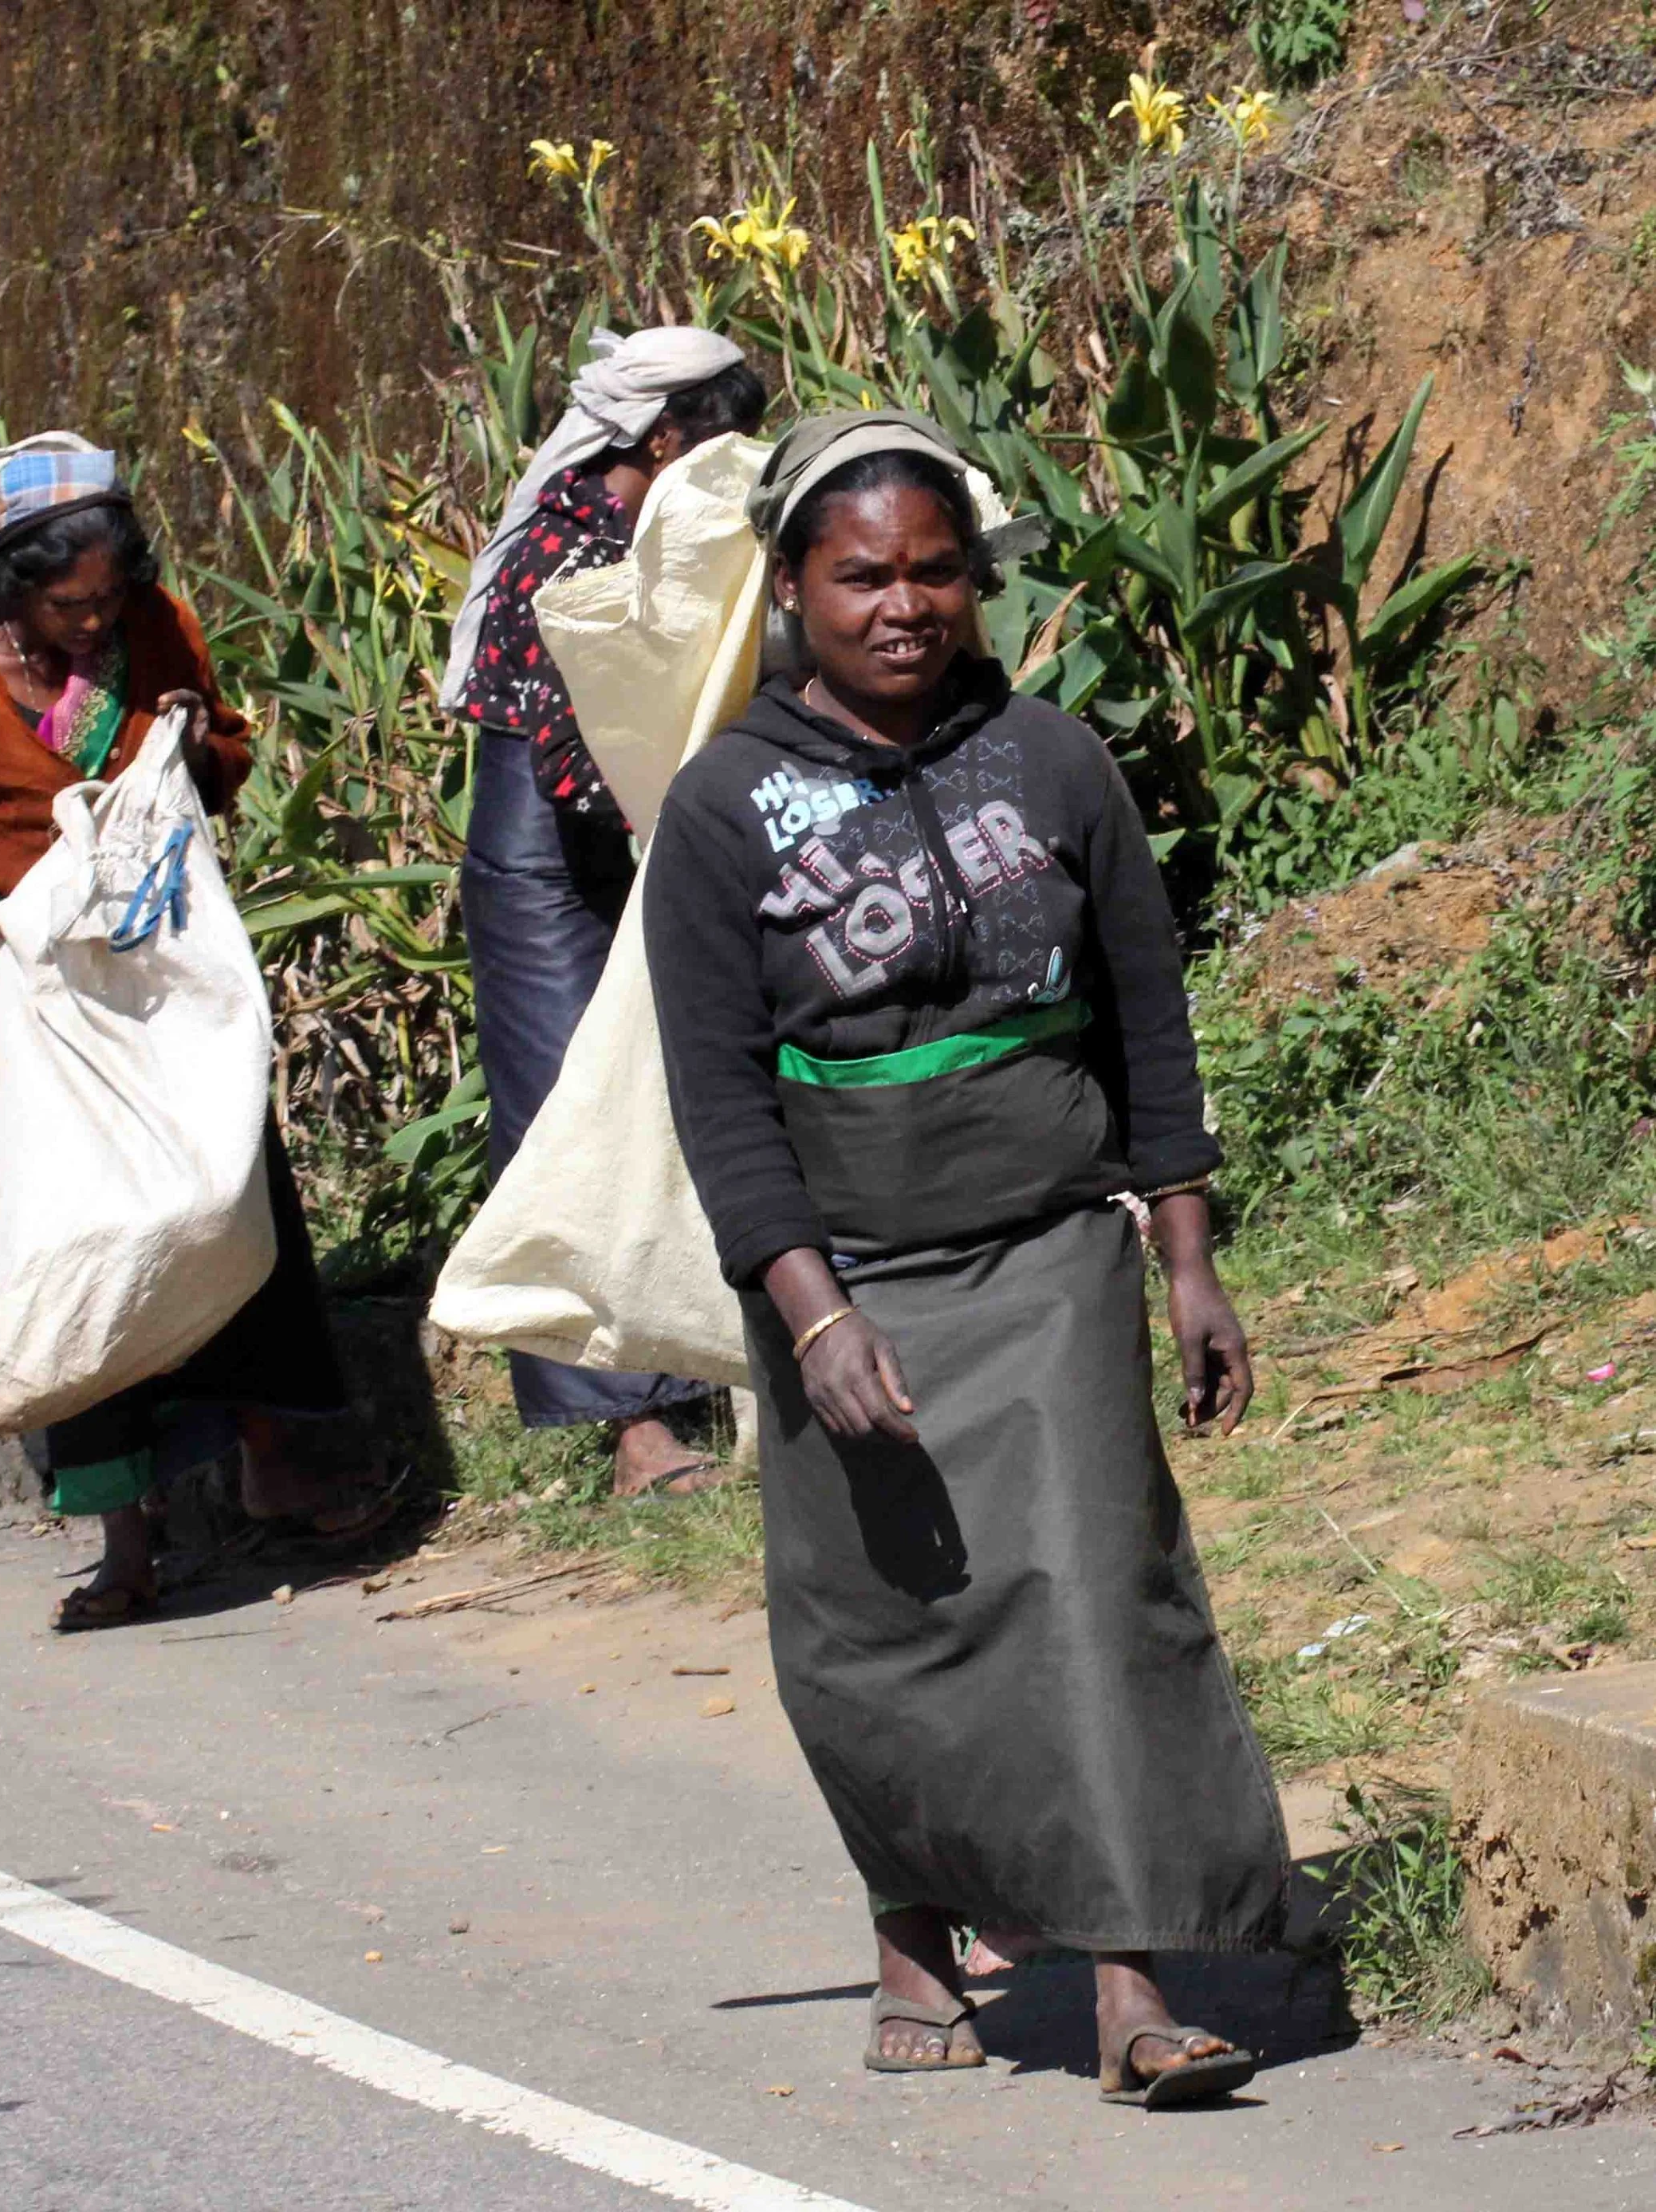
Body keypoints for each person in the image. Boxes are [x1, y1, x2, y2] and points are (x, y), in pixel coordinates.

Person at [642, 411, 1288, 2107]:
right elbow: (715, 1092)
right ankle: (912, 1920)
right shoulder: (718, 810)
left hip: (1044, 1251)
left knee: (1090, 1592)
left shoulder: (1054, 765)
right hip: (842, 1262)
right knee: (890, 1622)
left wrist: (1184, 1255)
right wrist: (810, 1305)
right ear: (791, 588)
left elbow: (1146, 1024)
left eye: (935, 570)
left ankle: (1128, 1986)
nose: (903, 604)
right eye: (860, 575)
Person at [0, 437, 385, 1629]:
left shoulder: (153, 628)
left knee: (224, 1192)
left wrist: (191, 735)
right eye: (71, 604)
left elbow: (220, 754)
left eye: (111, 595)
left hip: (157, 976)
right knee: (63, 1245)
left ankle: (271, 1456)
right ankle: (127, 1534)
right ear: (11, 587)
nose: (96, 620)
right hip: (14, 999)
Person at [443, 328, 768, 1494]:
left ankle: (703, 1369)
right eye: (717, 440)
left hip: (621, 844)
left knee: (662, 1097)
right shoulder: (565, 548)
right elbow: (573, 742)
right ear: (664, 436)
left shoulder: (645, 537)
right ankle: (632, 1431)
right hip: (545, 869)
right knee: (567, 1110)